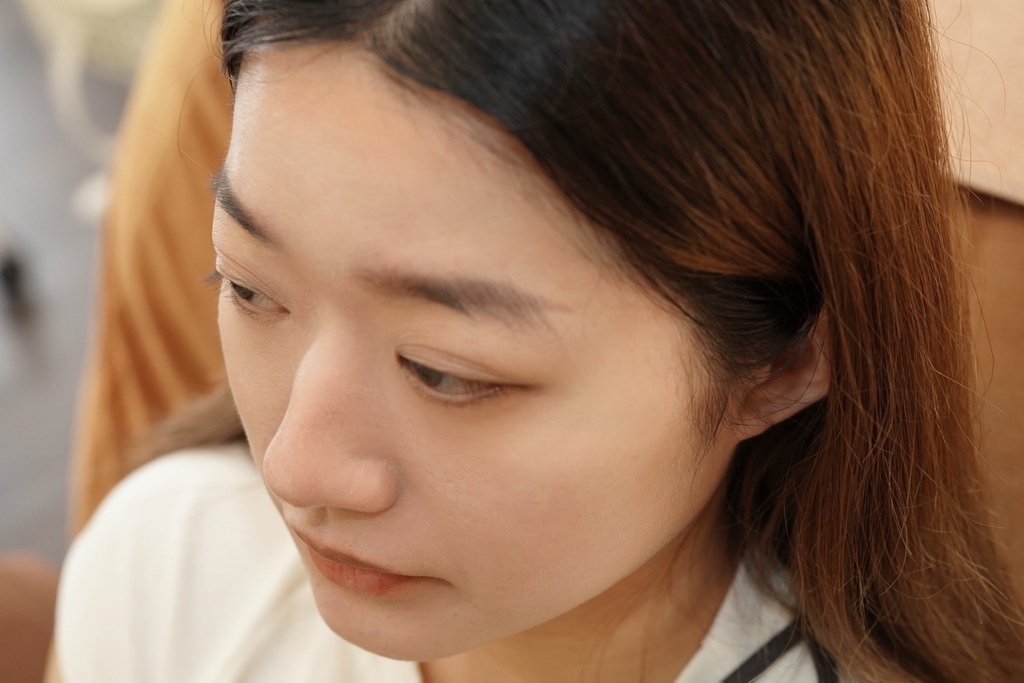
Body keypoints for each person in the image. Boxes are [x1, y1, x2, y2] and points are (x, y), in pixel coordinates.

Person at [54, 1, 1024, 682]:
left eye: (445, 372)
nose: (295, 467)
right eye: (250, 287)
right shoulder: (168, 558)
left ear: (784, 361)